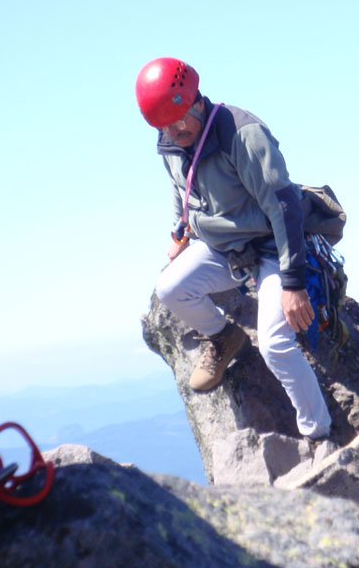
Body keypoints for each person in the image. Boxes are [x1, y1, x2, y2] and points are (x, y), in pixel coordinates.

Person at [135, 57, 331, 441]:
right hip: (223, 248)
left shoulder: (241, 134)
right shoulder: (172, 143)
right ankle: (224, 337)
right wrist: (180, 235)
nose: (174, 133)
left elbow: (285, 206)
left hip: (271, 248)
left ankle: (318, 433)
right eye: (164, 127)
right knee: (171, 288)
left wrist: (292, 284)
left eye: (179, 122)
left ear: (196, 102)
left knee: (276, 345)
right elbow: (182, 190)